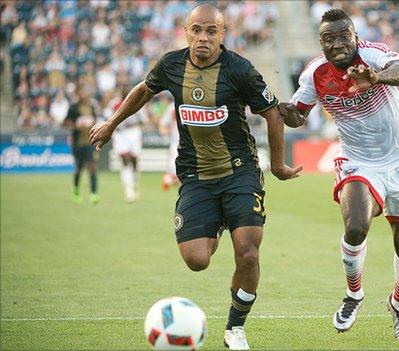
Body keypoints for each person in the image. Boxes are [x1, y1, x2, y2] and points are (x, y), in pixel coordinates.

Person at [89, 4, 301, 350]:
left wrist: (277, 165)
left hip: (240, 172)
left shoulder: (240, 70)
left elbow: (273, 114)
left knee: (248, 252)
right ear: (186, 31)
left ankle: (235, 327)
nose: (203, 37)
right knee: (197, 260)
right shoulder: (171, 64)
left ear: (222, 34)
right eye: (197, 30)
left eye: (211, 31)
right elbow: (144, 90)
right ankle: (216, 221)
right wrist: (111, 124)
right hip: (195, 175)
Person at [278, 9, 399, 340]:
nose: (336, 44)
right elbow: (297, 117)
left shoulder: (373, 54)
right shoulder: (315, 75)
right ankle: (354, 295)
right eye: (328, 39)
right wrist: (283, 112)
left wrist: (375, 77)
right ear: (321, 44)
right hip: (359, 162)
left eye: (343, 36)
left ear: (355, 37)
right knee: (357, 225)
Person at [107, 86, 147, 202]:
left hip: (134, 132)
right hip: (120, 134)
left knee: (134, 161)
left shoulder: (138, 101)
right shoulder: (114, 104)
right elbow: (107, 118)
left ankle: (134, 183)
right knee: (125, 160)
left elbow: (143, 120)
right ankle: (128, 190)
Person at [64, 85, 100, 204]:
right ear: (78, 94)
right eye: (81, 93)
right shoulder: (73, 108)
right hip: (78, 142)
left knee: (92, 167)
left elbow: (95, 121)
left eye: (85, 92)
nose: (83, 95)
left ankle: (94, 193)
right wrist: (77, 126)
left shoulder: (91, 107)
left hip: (90, 142)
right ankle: (76, 190)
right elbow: (66, 123)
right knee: (79, 168)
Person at [159, 101, 180, 191]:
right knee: (173, 165)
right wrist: (164, 132)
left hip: (187, 142)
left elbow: (163, 124)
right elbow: (163, 123)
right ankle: (170, 179)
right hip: (176, 142)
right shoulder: (172, 107)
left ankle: (170, 179)